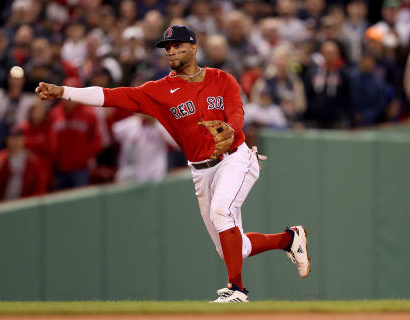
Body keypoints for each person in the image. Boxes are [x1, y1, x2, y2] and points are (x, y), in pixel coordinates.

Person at [35, 25, 311, 303]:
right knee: (232, 249)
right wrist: (64, 92)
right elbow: (110, 95)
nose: (172, 51)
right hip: (201, 170)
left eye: (178, 45)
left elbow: (236, 112)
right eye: (167, 48)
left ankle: (236, 289)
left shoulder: (222, 79)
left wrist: (231, 129)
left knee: (220, 213)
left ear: (193, 47)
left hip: (236, 158)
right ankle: (289, 239)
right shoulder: (160, 91)